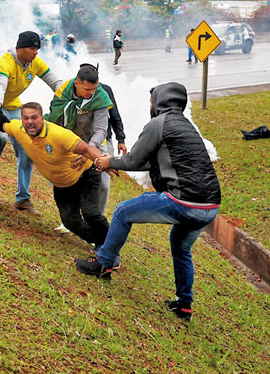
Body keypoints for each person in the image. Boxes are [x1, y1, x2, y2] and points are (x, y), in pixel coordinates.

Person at [76, 82, 221, 323]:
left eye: (152, 100)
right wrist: (112, 161)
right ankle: (184, 305)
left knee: (123, 211)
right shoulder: (186, 126)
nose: (150, 105)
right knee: (181, 247)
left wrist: (107, 162)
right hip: (210, 207)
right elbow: (149, 162)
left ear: (161, 101)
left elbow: (133, 160)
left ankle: (103, 264)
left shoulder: (159, 123)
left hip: (184, 201)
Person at [0, 103, 112, 243]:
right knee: (70, 221)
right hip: (62, 184)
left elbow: (86, 149)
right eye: (26, 118)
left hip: (84, 175)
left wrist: (104, 160)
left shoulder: (59, 134)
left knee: (90, 213)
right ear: (22, 119)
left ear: (42, 118)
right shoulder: (18, 128)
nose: (30, 122)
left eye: (34, 118)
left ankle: (109, 247)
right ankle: (102, 243)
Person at [0, 31, 62, 214]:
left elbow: (55, 82)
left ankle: (22, 198)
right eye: (33, 48)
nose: (36, 52)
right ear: (21, 48)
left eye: (37, 48)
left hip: (14, 107)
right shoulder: (5, 62)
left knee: (26, 147)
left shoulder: (34, 63)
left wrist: (70, 95)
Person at [45, 64, 114, 245]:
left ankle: (97, 225)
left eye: (94, 88)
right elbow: (55, 118)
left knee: (104, 186)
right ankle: (76, 224)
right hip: (69, 144)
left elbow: (101, 130)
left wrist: (88, 150)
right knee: (70, 182)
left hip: (95, 145)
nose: (92, 92)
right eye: (87, 89)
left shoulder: (100, 97)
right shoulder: (63, 93)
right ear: (77, 83)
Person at [97, 82, 127, 215]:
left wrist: (121, 140)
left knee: (104, 184)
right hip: (82, 142)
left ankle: (99, 218)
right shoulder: (73, 91)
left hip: (105, 141)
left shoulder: (105, 90)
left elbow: (115, 116)